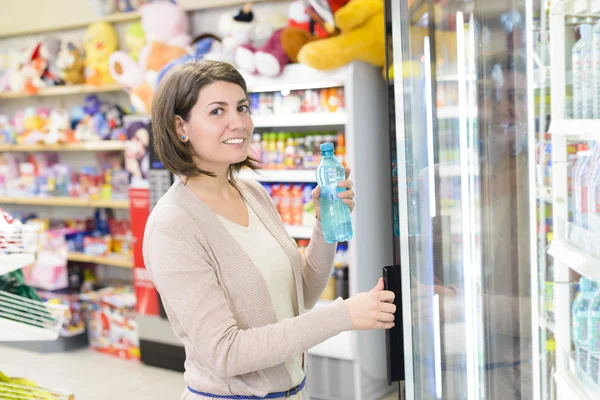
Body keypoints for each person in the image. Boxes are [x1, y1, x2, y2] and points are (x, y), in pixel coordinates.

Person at [143, 59, 396, 400]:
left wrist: (324, 224)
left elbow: (303, 293)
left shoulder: (253, 193)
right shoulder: (173, 225)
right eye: (217, 111)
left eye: (242, 107)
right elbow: (226, 353)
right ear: (180, 128)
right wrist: (344, 315)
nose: (239, 123)